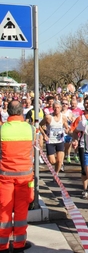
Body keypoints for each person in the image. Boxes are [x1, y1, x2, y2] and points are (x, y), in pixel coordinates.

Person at [0, 101, 35, 253]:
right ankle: (19, 243)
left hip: (5, 176)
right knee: (21, 212)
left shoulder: (2, 129)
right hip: (25, 177)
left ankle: (3, 245)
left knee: (4, 210)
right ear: (21, 112)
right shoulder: (30, 129)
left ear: (8, 112)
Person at [70, 96, 88, 199]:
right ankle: (85, 190)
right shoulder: (80, 118)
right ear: (83, 104)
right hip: (83, 145)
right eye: (86, 103)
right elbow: (73, 131)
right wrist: (75, 139)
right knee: (84, 169)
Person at [39, 101, 69, 175]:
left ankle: (56, 174)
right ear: (52, 108)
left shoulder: (63, 117)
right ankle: (56, 168)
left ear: (61, 108)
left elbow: (66, 127)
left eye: (58, 108)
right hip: (50, 141)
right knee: (52, 161)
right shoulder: (48, 117)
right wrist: (44, 134)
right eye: (55, 108)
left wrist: (67, 130)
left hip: (60, 141)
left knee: (59, 160)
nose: (56, 109)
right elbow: (39, 125)